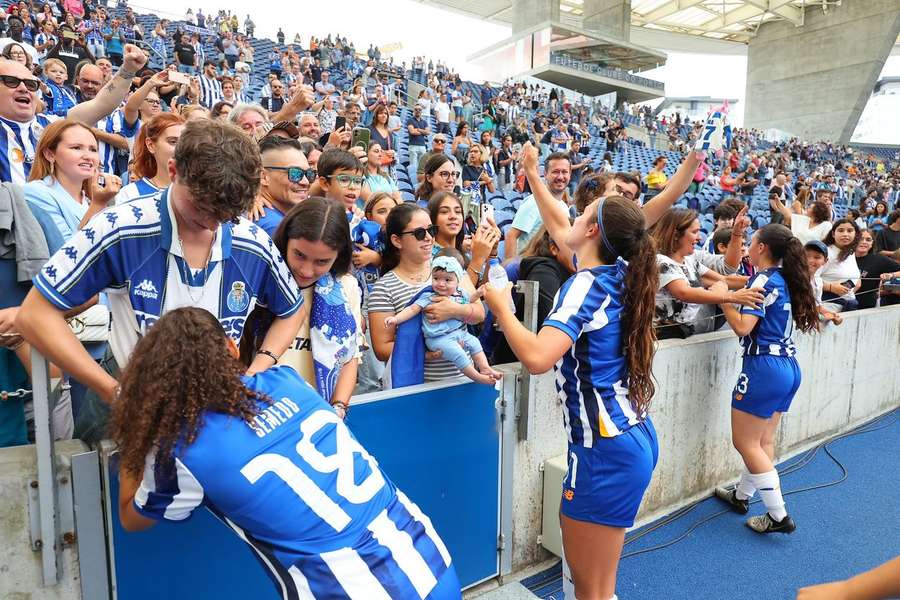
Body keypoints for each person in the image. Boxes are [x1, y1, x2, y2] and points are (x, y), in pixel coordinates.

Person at [112, 308, 461, 600]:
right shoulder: (288, 380)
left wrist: (137, 427)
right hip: (426, 557)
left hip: (344, 588)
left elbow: (132, 517)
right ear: (232, 350)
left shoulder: (184, 451)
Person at [15, 119, 306, 443]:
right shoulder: (120, 227)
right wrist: (111, 389)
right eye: (201, 209)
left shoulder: (251, 240)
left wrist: (257, 370)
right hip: (129, 403)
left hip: (212, 415)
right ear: (173, 170)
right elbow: (34, 314)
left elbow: (292, 310)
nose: (211, 225)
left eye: (224, 216)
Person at [483, 190, 659, 600]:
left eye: (581, 215)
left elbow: (539, 358)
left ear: (593, 230)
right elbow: (562, 227)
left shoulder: (582, 284)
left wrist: (502, 308)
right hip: (630, 435)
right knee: (597, 585)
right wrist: (531, 174)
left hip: (604, 449)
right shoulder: (617, 273)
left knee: (589, 591)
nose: (571, 220)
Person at [713, 224, 819, 535]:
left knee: (744, 442)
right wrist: (724, 284)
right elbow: (742, 283)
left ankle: (777, 515)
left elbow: (744, 327)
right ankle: (742, 496)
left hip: (763, 367)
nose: (748, 243)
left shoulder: (763, 279)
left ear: (761, 248)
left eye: (752, 239)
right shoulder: (784, 278)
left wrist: (723, 300)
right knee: (763, 441)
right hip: (788, 366)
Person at [241, 197, 361, 415]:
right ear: (286, 240)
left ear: (338, 256)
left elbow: (350, 357)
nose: (306, 271)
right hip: (256, 408)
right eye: (299, 255)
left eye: (322, 262)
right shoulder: (257, 278)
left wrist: (339, 406)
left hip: (315, 410)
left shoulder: (347, 288)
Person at [368, 203, 485, 385]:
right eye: (420, 233)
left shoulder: (450, 268)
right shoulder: (383, 288)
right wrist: (429, 351)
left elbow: (479, 315)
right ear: (397, 240)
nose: (429, 238)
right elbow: (382, 348)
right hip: (416, 386)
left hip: (462, 381)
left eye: (431, 230)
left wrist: (454, 310)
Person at [0, 43, 148, 185]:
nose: (23, 88)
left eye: (30, 84)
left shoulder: (52, 124)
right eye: (11, 81)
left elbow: (101, 104)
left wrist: (128, 69)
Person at [385, 252, 500, 385]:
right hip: (438, 339)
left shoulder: (460, 294)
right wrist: (396, 319)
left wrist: (478, 293)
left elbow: (471, 301)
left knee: (475, 342)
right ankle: (477, 376)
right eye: (436, 278)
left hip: (459, 333)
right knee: (458, 354)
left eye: (447, 280)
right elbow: (412, 309)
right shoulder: (428, 296)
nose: (441, 283)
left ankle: (485, 368)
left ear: (457, 281)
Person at [651, 208, 762, 338]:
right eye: (694, 232)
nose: (699, 237)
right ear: (675, 235)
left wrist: (763, 279)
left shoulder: (689, 261)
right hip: (663, 336)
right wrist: (731, 297)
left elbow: (724, 280)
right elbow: (683, 292)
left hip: (682, 334)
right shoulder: (661, 261)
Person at [24, 119, 120, 245]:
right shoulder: (35, 192)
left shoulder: (88, 199)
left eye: (93, 149)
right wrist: (98, 205)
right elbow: (66, 254)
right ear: (50, 154)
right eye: (76, 148)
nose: (88, 156)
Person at [506, 152, 571, 259]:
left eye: (564, 172)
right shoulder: (534, 202)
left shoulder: (564, 207)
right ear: (545, 174)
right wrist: (511, 270)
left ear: (570, 174)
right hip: (529, 268)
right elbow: (511, 236)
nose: (560, 177)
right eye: (555, 172)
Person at [113, 112, 184, 204]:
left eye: (185, 142)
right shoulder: (131, 194)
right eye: (173, 142)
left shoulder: (199, 193)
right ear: (150, 145)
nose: (182, 148)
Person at [254, 136, 313, 237]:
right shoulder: (274, 227)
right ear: (263, 176)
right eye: (295, 173)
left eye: (309, 173)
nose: (305, 182)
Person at [819, 218, 861, 312]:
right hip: (827, 305)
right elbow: (809, 278)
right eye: (841, 230)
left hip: (848, 303)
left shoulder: (851, 252)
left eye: (850, 231)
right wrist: (831, 287)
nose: (845, 234)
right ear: (833, 234)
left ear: (855, 234)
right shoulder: (826, 252)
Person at [854, 228, 900, 310]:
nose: (864, 242)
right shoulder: (845, 257)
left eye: (868, 240)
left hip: (866, 307)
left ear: (872, 243)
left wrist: (891, 275)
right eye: (860, 239)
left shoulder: (879, 260)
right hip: (843, 303)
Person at [803, 240, 842, 325]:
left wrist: (832, 316)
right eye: (806, 256)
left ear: (825, 260)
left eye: (817, 257)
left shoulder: (818, 282)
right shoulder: (793, 277)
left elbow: (816, 307)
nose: (811, 260)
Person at [406, 104, 430, 174]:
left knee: (422, 167)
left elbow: (428, 132)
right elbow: (412, 131)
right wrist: (423, 132)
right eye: (416, 109)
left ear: (421, 111)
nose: (418, 111)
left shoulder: (424, 122)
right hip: (413, 146)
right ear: (413, 111)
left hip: (422, 146)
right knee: (413, 166)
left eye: (419, 109)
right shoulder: (410, 120)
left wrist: (419, 129)